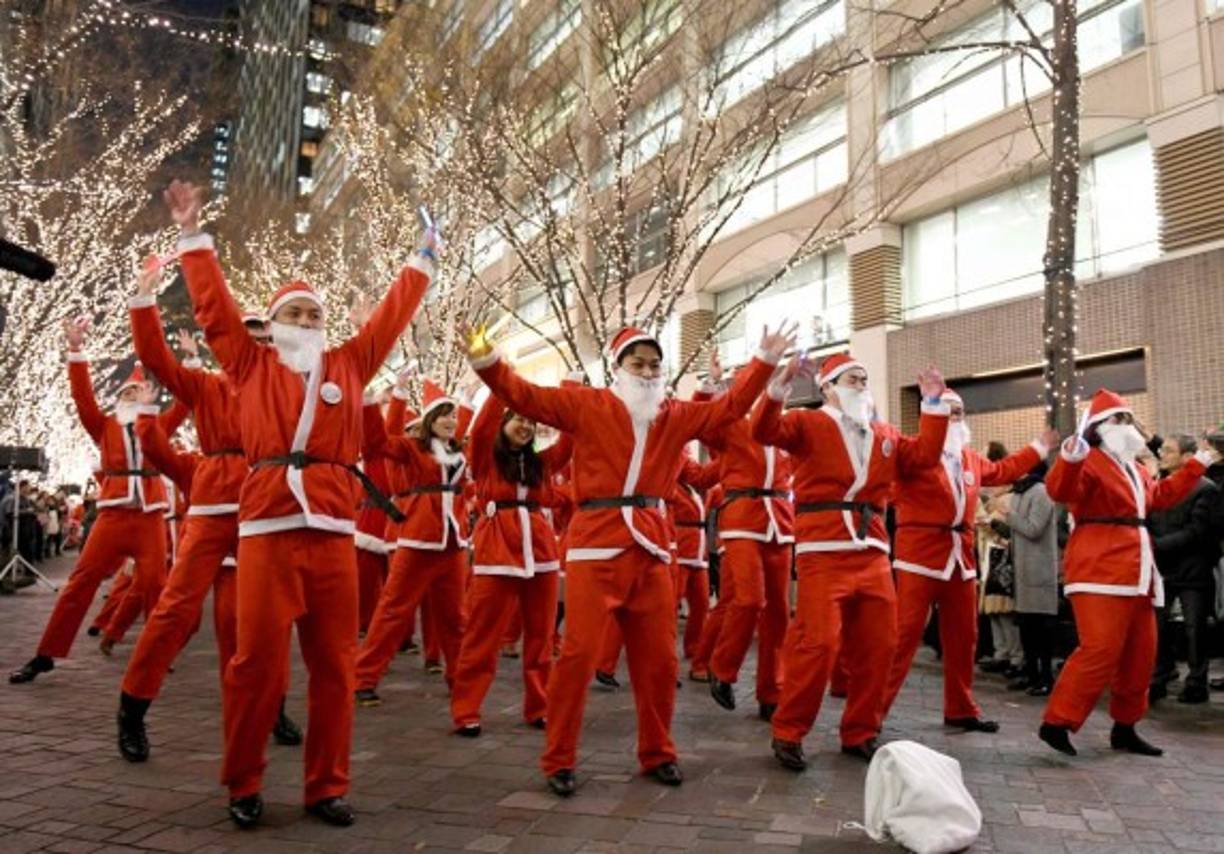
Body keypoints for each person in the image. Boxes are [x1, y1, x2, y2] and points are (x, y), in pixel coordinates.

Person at [167, 178, 435, 828]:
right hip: (265, 532)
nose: (308, 323)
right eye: (295, 315)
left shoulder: (349, 363)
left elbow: (390, 319)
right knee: (255, 666)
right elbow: (214, 312)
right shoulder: (248, 367)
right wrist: (192, 236)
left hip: (332, 533)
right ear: (275, 323)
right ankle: (243, 781)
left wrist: (422, 258)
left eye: (316, 315)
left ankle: (327, 786)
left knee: (334, 668)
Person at [468, 322, 794, 797]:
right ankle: (559, 757)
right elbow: (521, 393)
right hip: (595, 546)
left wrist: (763, 360)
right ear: (616, 367)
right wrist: (484, 352)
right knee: (577, 656)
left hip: (653, 548)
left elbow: (731, 406)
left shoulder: (675, 415)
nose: (646, 372)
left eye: (654, 365)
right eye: (636, 363)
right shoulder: (587, 405)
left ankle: (658, 750)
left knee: (659, 659)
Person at [115, 279, 299, 764]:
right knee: (176, 610)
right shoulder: (209, 386)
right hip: (214, 500)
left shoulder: (288, 387)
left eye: (267, 337)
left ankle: (269, 705)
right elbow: (156, 358)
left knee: (259, 618)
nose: (260, 344)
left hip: (264, 505)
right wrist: (144, 300)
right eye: (251, 336)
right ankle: (132, 707)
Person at [751, 352, 949, 771]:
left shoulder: (885, 433)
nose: (861, 385)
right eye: (852, 379)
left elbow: (925, 457)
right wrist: (778, 387)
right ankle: (788, 730)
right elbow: (763, 429)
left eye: (864, 378)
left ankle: (861, 730)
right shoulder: (807, 423)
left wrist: (933, 406)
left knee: (881, 646)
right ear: (828, 387)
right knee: (816, 643)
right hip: (823, 550)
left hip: (873, 550)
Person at [1038, 389, 1219, 757]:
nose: (1127, 425)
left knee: (1141, 653)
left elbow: (1162, 496)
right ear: (1101, 427)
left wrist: (1198, 463)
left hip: (1138, 571)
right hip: (1098, 568)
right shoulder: (1087, 461)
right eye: (1118, 419)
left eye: (1127, 418)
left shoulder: (1135, 469)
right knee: (1100, 649)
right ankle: (1057, 721)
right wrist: (1070, 458)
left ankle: (1125, 727)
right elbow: (1060, 490)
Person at [9, 323, 183, 685]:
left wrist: (192, 361)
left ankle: (156, 651)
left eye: (140, 391)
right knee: (80, 583)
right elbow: (82, 395)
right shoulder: (103, 425)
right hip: (113, 517)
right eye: (128, 392)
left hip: (149, 518)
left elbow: (185, 404)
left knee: (156, 585)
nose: (134, 395)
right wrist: (76, 351)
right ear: (120, 399)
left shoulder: (159, 425)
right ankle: (45, 655)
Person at [880, 389, 1053, 733]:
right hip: (920, 554)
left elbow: (1004, 469)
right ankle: (871, 712)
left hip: (960, 554)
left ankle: (960, 707)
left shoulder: (970, 458)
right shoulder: (913, 452)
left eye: (959, 411)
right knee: (902, 636)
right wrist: (932, 408)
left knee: (964, 637)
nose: (955, 418)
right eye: (948, 411)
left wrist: (1039, 448)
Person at [448, 397, 572, 735]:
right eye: (517, 418)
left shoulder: (541, 464)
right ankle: (466, 710)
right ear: (503, 425)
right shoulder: (485, 457)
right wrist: (498, 384)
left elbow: (569, 439)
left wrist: (571, 391)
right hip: (496, 552)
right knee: (481, 636)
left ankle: (539, 706)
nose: (525, 425)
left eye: (531, 422)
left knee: (541, 637)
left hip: (542, 554)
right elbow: (483, 426)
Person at [354, 380, 470, 705]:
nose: (450, 421)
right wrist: (374, 402)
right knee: (393, 611)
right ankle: (364, 677)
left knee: (455, 618)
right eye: (443, 415)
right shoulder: (410, 448)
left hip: (452, 542)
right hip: (418, 541)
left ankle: (460, 680)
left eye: (454, 416)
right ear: (429, 420)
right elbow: (377, 441)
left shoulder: (457, 453)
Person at [694, 351, 795, 722]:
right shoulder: (729, 424)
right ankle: (722, 668)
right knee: (749, 599)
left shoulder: (783, 425)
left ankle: (772, 691)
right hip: (742, 518)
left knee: (779, 615)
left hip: (779, 520)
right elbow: (701, 424)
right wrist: (710, 385)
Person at [1149, 433, 1219, 705]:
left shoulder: (1205, 488)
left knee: (1195, 630)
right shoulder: (1158, 485)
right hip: (1163, 570)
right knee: (1158, 627)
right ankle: (1160, 675)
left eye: (1168, 451)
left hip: (1193, 570)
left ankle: (1196, 682)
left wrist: (1156, 545)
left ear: (1187, 458)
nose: (1161, 455)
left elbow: (1198, 531)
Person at [1005, 461, 1059, 696]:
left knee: (1042, 628)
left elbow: (1034, 528)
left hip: (1039, 570)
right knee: (1026, 626)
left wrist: (1008, 515)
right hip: (1022, 569)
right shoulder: (1019, 492)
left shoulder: (1042, 492)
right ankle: (1031, 673)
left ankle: (1045, 677)